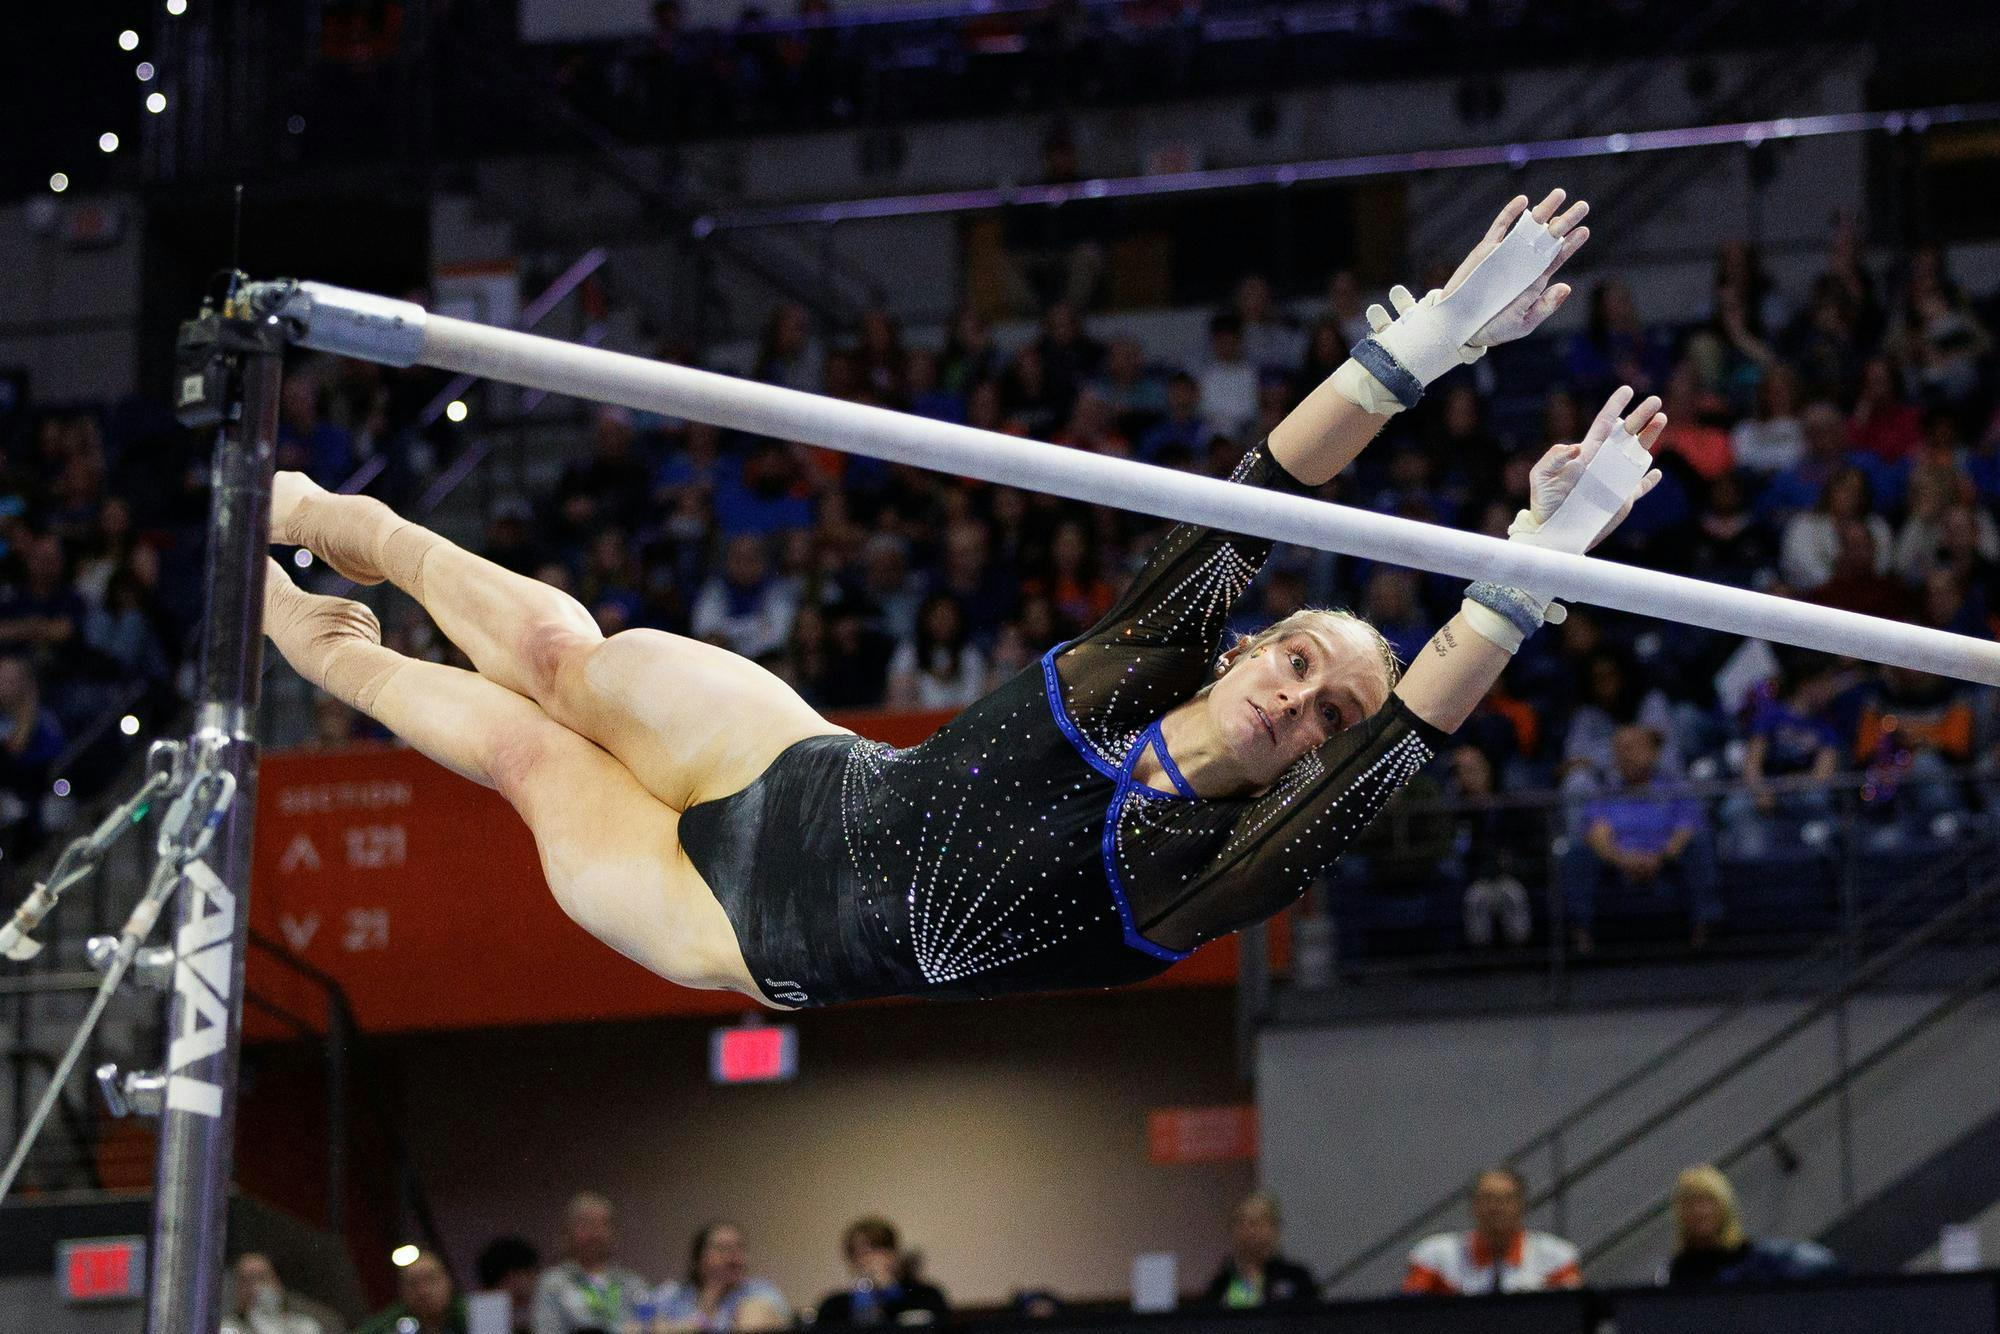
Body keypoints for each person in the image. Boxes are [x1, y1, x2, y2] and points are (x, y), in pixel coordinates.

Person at [260, 190, 1652, 1012]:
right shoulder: (1134, 665)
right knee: (568, 656)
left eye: (1327, 709)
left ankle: (323, 638)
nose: (1299, 696)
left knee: (524, 750)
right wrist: (1427, 339)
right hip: (795, 772)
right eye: (1295, 657)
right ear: (1243, 646)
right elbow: (1267, 479)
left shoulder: (1218, 866)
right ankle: (342, 516)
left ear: (1317, 749)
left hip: (735, 927)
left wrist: (1547, 553)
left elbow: (1415, 727)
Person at [1560, 725, 1720, 954]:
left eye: (1632, 747)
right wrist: (1624, 860)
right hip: (1619, 866)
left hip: (1665, 863)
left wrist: (1659, 857)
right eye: (1619, 749)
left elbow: (1686, 830)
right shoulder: (1607, 792)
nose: (1625, 754)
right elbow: (1597, 835)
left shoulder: (1674, 788)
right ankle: (1580, 936)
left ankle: (1706, 927)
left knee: (1700, 844)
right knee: (1578, 853)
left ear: (1653, 752)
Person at [1403, 1168, 1582, 1295]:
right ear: (1473, 1206)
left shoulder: (1557, 1257)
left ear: (1522, 1205)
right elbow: (1409, 1317)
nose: (1496, 1208)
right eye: (1487, 1199)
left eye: (1505, 1199)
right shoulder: (1434, 1256)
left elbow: (1572, 1317)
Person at [1660, 1164, 1840, 1285]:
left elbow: (1825, 1267)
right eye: (1690, 1203)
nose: (1699, 1212)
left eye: (1707, 1201)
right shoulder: (1673, 1273)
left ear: (1725, 1207)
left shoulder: (1759, 1261)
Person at [532, 1193, 651, 1334]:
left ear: (614, 1233)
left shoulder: (632, 1282)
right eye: (586, 1224)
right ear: (567, 1233)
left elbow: (650, 1326)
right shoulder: (553, 1284)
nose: (596, 1233)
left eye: (603, 1224)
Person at [652, 1222, 790, 1332]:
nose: (734, 1256)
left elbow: (757, 1321)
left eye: (739, 1248)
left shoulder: (760, 1291)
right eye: (722, 1248)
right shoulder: (672, 1295)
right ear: (699, 1259)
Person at [814, 1216, 950, 1327]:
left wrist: (887, 1287)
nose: (865, 1260)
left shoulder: (926, 1296)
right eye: (857, 1253)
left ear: (893, 1254)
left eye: (874, 1250)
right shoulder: (833, 1306)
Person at [1199, 1191, 1318, 1309]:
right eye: (1240, 1222)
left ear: (1275, 1229)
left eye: (1256, 1222)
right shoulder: (1221, 1282)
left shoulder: (1297, 1278)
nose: (1248, 1229)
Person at [357, 1251, 466, 1334]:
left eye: (431, 1279)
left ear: (448, 1281)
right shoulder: (386, 1327)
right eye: (413, 1284)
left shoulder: (471, 1314)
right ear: (401, 1291)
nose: (423, 1291)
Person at [220, 1253, 324, 1334]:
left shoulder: (305, 1327)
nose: (253, 1287)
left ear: (277, 1283)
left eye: (261, 1278)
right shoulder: (227, 1327)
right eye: (245, 1280)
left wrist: (265, 1317)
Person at [476, 1235, 542, 1334]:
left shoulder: (540, 1311)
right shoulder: (482, 1315)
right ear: (511, 1276)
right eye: (530, 1273)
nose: (536, 1279)